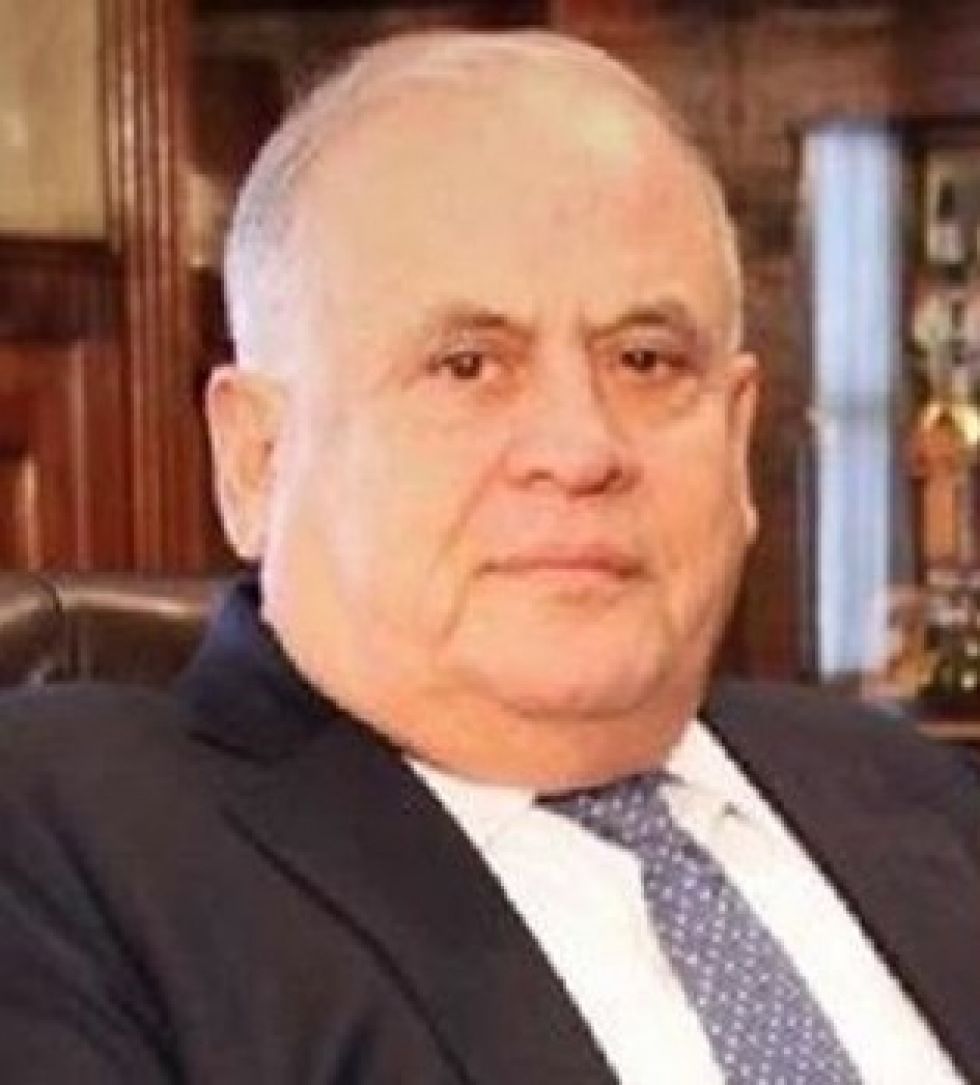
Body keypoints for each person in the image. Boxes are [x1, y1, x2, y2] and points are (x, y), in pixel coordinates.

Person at [0, 29, 978, 1085]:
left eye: (646, 360)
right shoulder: (71, 841)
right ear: (256, 454)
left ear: (736, 434)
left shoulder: (912, 791)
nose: (581, 448)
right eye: (467, 365)